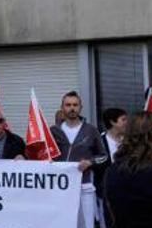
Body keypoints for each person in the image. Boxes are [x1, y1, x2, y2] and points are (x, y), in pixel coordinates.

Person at [50, 91, 107, 228]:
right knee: (63, 223)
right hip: (61, 186)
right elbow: (43, 154)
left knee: (87, 224)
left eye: (75, 105)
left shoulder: (90, 130)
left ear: (80, 107)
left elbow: (104, 156)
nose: (72, 108)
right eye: (68, 105)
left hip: (84, 186)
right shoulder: (53, 131)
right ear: (62, 107)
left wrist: (90, 162)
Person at [97, 107, 127, 228]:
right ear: (113, 122)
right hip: (106, 193)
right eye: (123, 119)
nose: (127, 122)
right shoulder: (99, 141)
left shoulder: (130, 141)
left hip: (128, 191)